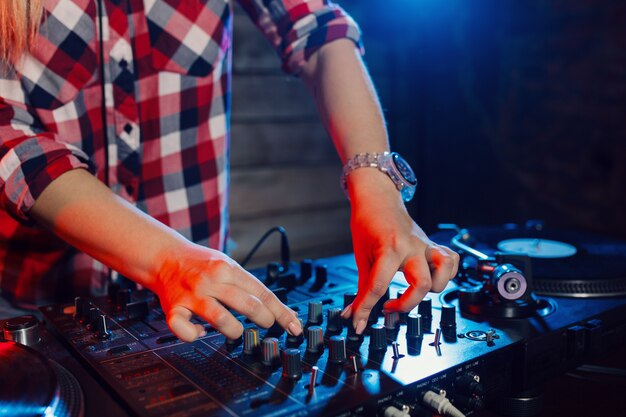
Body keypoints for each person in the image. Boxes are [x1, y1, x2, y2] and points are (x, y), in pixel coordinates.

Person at [0, 0, 458, 341]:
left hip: (197, 306)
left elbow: (317, 28)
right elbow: (10, 139)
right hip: (36, 308)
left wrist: (376, 184)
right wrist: (166, 258)